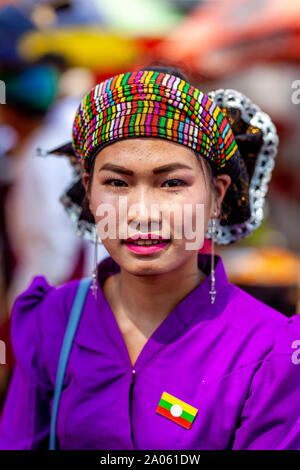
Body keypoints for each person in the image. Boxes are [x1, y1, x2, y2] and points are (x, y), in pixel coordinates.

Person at [0, 66, 300, 451]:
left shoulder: (269, 351)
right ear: (89, 192)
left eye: (172, 182)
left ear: (217, 196)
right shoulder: (52, 320)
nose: (142, 212)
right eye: (117, 183)